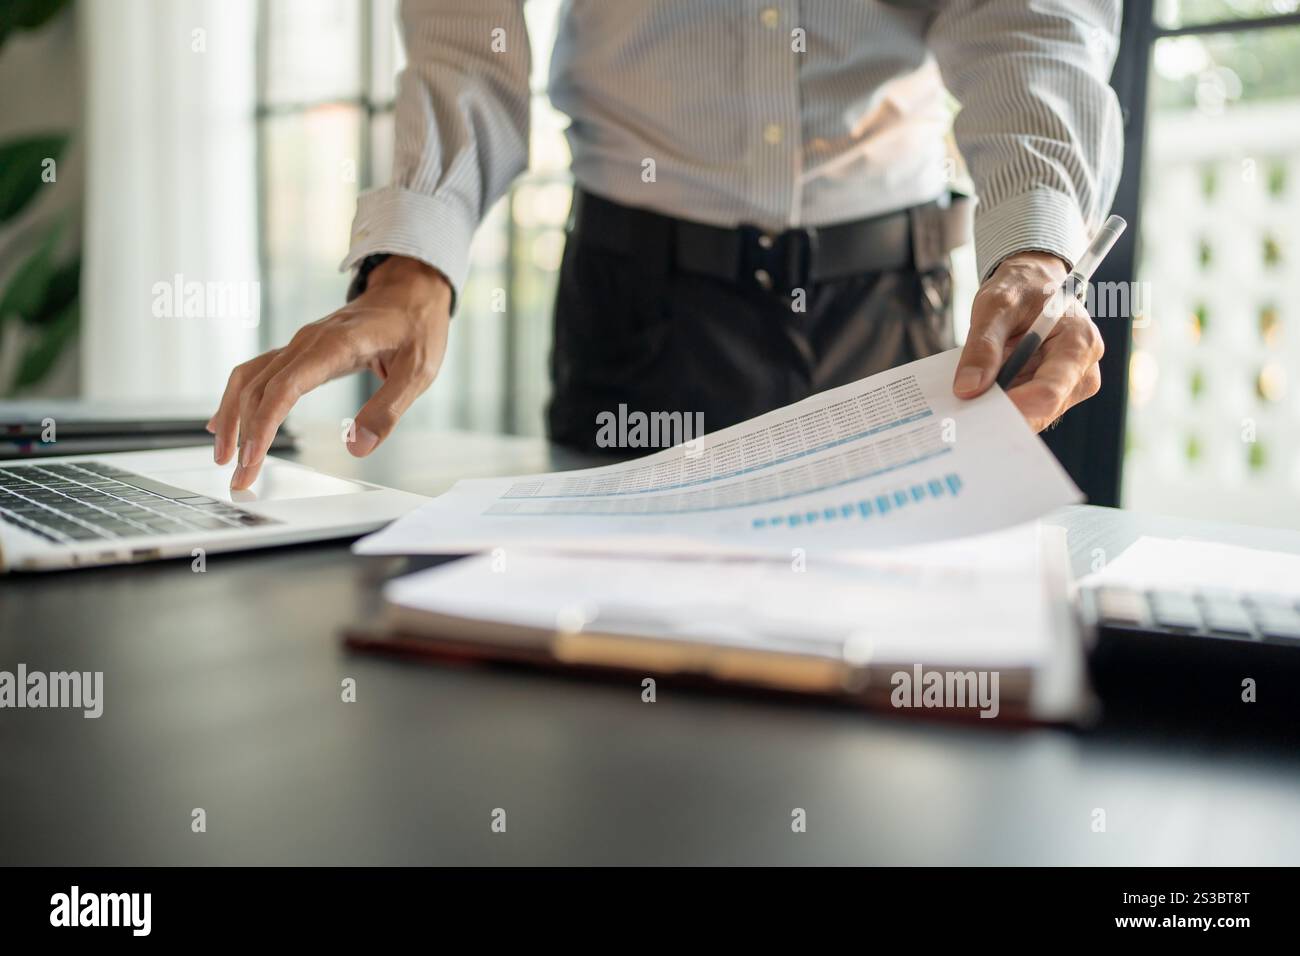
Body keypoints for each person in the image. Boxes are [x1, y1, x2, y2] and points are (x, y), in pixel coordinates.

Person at [211, 0, 1122, 490]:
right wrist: (412, 266)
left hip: (891, 314)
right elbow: (466, 35)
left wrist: (1039, 246)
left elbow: (1027, 20)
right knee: (612, 711)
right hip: (640, 308)